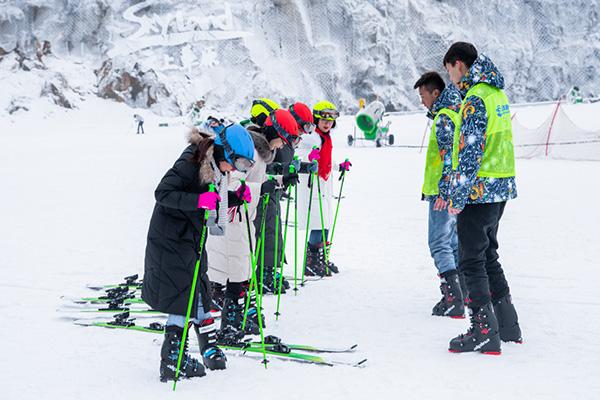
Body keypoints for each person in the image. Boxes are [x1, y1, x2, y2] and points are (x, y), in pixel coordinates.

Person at [141, 123, 255, 381]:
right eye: (238, 163)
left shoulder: (214, 165)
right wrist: (198, 202)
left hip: (190, 236)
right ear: (224, 152)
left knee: (199, 287)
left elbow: (212, 196)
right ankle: (172, 360)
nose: (238, 170)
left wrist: (235, 198)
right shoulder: (192, 161)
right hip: (171, 238)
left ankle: (208, 346)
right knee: (183, 294)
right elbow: (163, 193)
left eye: (245, 166)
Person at [443, 42, 522, 354]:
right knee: (488, 254)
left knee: (470, 260)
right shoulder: (497, 94)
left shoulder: (475, 98)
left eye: (450, 71)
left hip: (479, 191)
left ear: (460, 65)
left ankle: (483, 330)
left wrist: (457, 195)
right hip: (501, 187)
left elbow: (471, 150)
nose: (451, 79)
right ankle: (507, 323)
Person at [413, 71, 465, 319]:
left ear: (435, 93)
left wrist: (444, 190)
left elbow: (448, 156)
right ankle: (460, 293)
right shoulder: (452, 113)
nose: (422, 100)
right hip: (449, 189)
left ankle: (453, 297)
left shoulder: (444, 117)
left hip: (441, 192)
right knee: (452, 242)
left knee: (439, 242)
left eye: (423, 95)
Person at [296, 100, 351, 277]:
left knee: (325, 222)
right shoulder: (312, 136)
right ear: (316, 120)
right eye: (323, 120)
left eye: (330, 121)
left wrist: (338, 166)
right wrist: (309, 157)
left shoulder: (325, 138)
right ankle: (311, 262)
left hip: (324, 183)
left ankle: (321, 259)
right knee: (318, 223)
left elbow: (326, 160)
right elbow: (300, 152)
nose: (327, 124)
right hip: (313, 185)